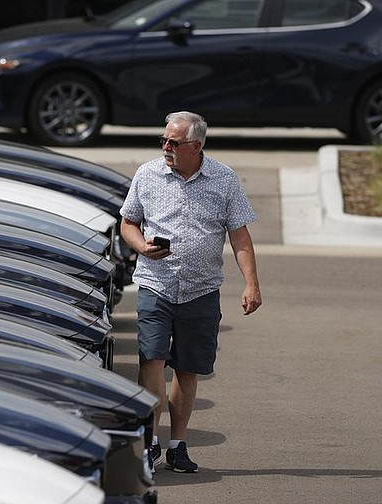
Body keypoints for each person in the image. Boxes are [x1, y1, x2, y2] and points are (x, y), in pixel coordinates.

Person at [119, 111, 262, 474]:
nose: (166, 147)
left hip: (201, 289)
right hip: (156, 283)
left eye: (174, 143)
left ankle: (177, 445)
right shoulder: (147, 174)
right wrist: (142, 246)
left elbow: (239, 236)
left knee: (187, 368)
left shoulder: (224, 180)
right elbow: (128, 222)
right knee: (151, 358)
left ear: (196, 146)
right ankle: (150, 439)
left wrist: (251, 283)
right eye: (164, 140)